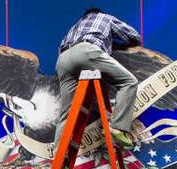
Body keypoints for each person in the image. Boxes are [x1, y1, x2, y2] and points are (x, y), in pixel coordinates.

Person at [55, 7, 141, 155]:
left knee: (67, 113)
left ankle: (60, 155)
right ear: (97, 12)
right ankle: (118, 127)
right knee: (129, 82)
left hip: (63, 60)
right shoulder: (104, 17)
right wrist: (115, 45)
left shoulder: (75, 27)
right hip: (87, 51)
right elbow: (134, 36)